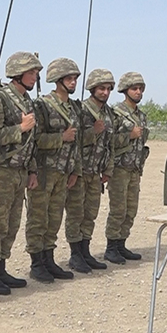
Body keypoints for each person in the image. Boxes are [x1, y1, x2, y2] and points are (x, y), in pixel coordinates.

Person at [0, 51, 40, 295]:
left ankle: (1, 268)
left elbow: (31, 141)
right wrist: (20, 128)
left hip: (19, 171)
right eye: (31, 72)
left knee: (12, 223)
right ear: (18, 73)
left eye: (36, 72)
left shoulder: (27, 100)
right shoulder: (0, 99)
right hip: (1, 171)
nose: (35, 77)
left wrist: (32, 170)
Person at [24, 58, 81, 283]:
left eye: (75, 78)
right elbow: (35, 139)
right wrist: (61, 137)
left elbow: (78, 141)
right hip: (45, 170)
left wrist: (75, 169)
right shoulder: (43, 105)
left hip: (63, 171)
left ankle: (49, 258)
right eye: (69, 78)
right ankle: (37, 263)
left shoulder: (73, 107)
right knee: (38, 217)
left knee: (54, 218)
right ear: (57, 80)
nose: (73, 82)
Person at [63, 68, 115, 272]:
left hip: (95, 171)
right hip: (80, 169)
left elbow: (110, 143)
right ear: (92, 88)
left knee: (90, 212)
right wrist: (92, 132)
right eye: (101, 88)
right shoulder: (81, 110)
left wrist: (108, 169)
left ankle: (85, 251)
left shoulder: (108, 112)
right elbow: (73, 140)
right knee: (76, 212)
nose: (105, 92)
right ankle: (75, 254)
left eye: (108, 89)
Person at [104, 72, 149, 264]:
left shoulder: (141, 115)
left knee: (131, 209)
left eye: (140, 89)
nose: (138, 92)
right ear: (124, 90)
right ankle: (111, 247)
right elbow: (107, 141)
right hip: (119, 169)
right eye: (134, 88)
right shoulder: (115, 114)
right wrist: (128, 136)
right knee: (118, 209)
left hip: (134, 169)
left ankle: (121, 244)